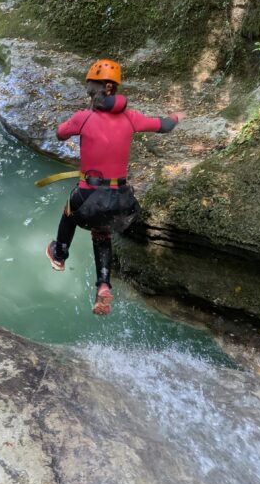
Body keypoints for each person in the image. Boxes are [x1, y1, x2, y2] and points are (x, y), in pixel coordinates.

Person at [46, 59, 181, 316]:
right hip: (122, 201)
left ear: (94, 91)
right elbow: (165, 125)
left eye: (89, 90)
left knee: (69, 211)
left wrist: (72, 128)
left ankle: (60, 254)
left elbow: (60, 133)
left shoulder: (83, 118)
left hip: (90, 195)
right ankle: (104, 285)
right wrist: (179, 116)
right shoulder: (131, 118)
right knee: (102, 233)